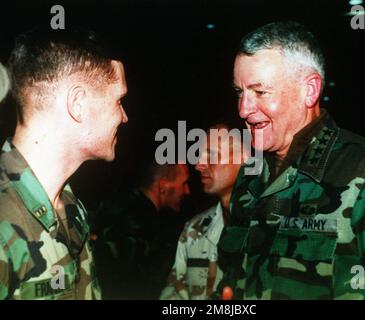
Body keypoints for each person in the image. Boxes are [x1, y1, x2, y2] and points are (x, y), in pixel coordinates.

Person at [215, 21, 365, 300]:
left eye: (260, 92)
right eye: (240, 92)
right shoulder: (251, 176)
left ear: (309, 91)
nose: (243, 109)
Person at [0, 28, 128, 300]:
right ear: (78, 104)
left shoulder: (71, 208)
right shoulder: (4, 220)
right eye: (119, 100)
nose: (124, 116)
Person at [160, 120, 249, 299]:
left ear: (244, 158)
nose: (199, 164)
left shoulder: (269, 228)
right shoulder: (194, 230)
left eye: (211, 155)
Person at [94, 162, 190, 299]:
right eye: (184, 183)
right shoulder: (146, 229)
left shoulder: (118, 210)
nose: (187, 191)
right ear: (162, 186)